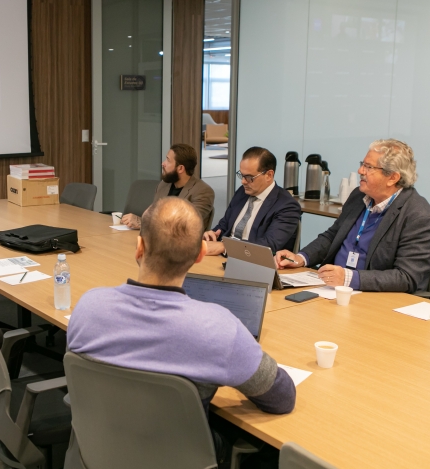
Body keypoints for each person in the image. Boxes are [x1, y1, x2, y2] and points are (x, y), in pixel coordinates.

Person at [68, 197, 295, 464]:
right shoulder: (218, 328)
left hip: (98, 451)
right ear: (200, 254)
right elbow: (282, 397)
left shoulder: (88, 307)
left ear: (139, 247)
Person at [275, 139, 430, 292]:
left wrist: (348, 278)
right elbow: (332, 236)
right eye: (363, 164)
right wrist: (301, 257)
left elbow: (406, 278)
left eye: (369, 167)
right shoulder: (358, 196)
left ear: (392, 178)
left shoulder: (419, 217)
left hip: (373, 298)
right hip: (330, 289)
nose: (360, 170)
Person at [204, 147, 301, 256]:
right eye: (241, 175)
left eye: (249, 177)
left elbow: (268, 245)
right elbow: (224, 225)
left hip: (255, 264)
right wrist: (212, 234)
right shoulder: (242, 192)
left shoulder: (286, 206)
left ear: (269, 175)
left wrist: (225, 246)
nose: (243, 181)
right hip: (223, 257)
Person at [121, 143, 215, 230]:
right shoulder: (164, 185)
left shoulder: (203, 191)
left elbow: (183, 225)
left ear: (180, 168)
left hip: (185, 245)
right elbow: (153, 216)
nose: (163, 163)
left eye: (168, 160)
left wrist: (142, 223)